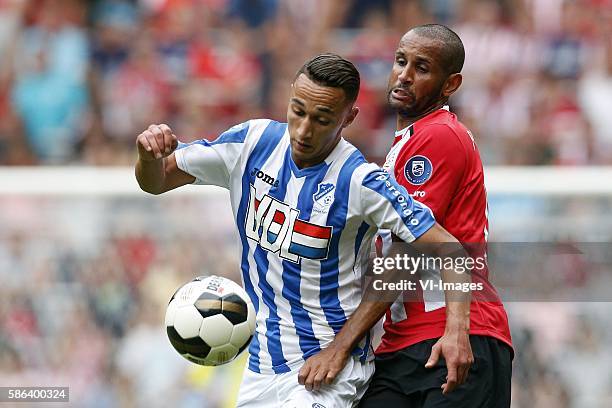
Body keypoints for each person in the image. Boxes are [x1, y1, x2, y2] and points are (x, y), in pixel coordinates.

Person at [135, 53, 472, 407]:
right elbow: (157, 181)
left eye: (322, 119)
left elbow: (451, 251)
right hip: (261, 367)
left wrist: (456, 331)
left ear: (349, 118)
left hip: (328, 369)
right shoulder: (251, 142)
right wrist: (147, 156)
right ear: (290, 96)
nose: (304, 130)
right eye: (298, 111)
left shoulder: (360, 180)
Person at [356, 24, 513, 407]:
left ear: (450, 84)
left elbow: (410, 252)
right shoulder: (404, 145)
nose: (404, 75)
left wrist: (342, 343)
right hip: (405, 341)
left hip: (457, 336)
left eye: (422, 67)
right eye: (400, 61)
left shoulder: (438, 136)